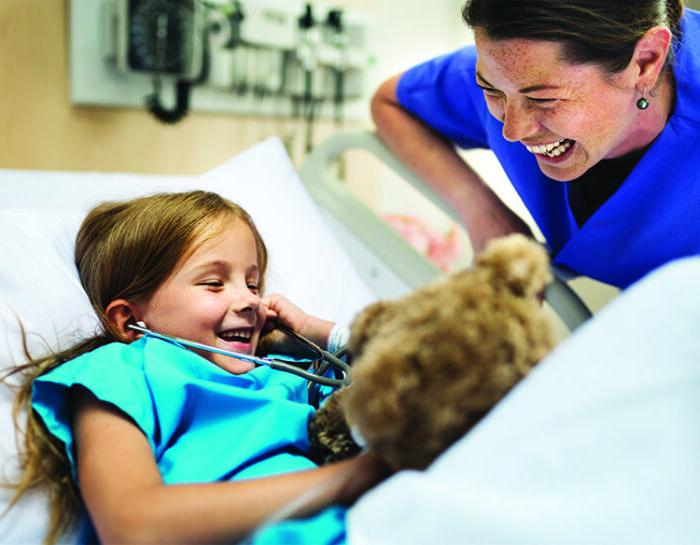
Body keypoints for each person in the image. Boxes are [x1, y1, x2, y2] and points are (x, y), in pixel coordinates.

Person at [1, 191, 389, 545]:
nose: (249, 301)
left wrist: (323, 336)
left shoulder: (293, 370)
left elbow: (413, 381)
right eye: (213, 283)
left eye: (253, 284)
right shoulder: (122, 372)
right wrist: (353, 479)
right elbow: (132, 526)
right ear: (128, 319)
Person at [371, 0, 700, 289]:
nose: (513, 131)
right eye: (492, 91)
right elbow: (390, 103)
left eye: (543, 99)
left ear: (646, 61)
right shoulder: (516, 68)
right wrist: (481, 211)